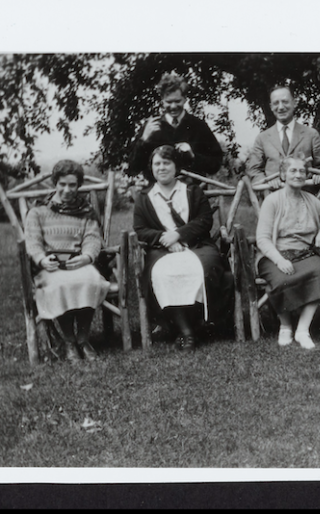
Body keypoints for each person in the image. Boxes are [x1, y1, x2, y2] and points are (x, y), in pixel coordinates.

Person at [133, 145, 234, 350]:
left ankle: (201, 322)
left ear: (176, 166)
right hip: (162, 250)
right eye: (157, 164)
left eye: (166, 163)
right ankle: (185, 329)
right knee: (162, 275)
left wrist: (179, 234)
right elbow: (140, 229)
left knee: (205, 270)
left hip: (197, 245)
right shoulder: (145, 197)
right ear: (151, 167)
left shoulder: (191, 190)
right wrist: (164, 238)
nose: (161, 168)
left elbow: (205, 220)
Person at [24, 160, 111, 361]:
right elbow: (33, 242)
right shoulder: (38, 211)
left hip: (78, 262)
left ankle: (83, 339)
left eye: (72, 185)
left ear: (78, 185)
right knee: (61, 285)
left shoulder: (86, 210)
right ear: (55, 183)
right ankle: (70, 341)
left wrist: (86, 257)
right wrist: (42, 260)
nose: (67, 189)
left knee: (90, 281)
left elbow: (92, 238)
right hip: (50, 266)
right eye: (62, 184)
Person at [255, 154, 320, 349]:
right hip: (276, 253)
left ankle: (303, 329)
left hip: (306, 252)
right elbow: (262, 238)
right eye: (293, 170)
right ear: (283, 174)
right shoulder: (272, 200)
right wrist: (278, 260)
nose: (298, 174)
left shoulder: (310, 200)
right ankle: (285, 326)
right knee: (280, 279)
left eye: (302, 171)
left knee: (318, 274)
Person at [129, 72, 224, 182]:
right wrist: (144, 140)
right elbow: (133, 167)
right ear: (162, 101)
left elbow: (215, 165)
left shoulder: (198, 126)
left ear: (185, 99)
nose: (173, 106)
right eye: (168, 102)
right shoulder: (151, 127)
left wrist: (193, 156)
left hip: (191, 194)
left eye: (177, 101)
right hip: (157, 195)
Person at [245, 85, 320, 191]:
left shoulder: (311, 134)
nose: (281, 107)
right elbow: (254, 170)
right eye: (276, 103)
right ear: (271, 107)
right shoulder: (262, 138)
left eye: (285, 101)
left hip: (305, 199)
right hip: (274, 200)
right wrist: (267, 181)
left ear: (294, 103)